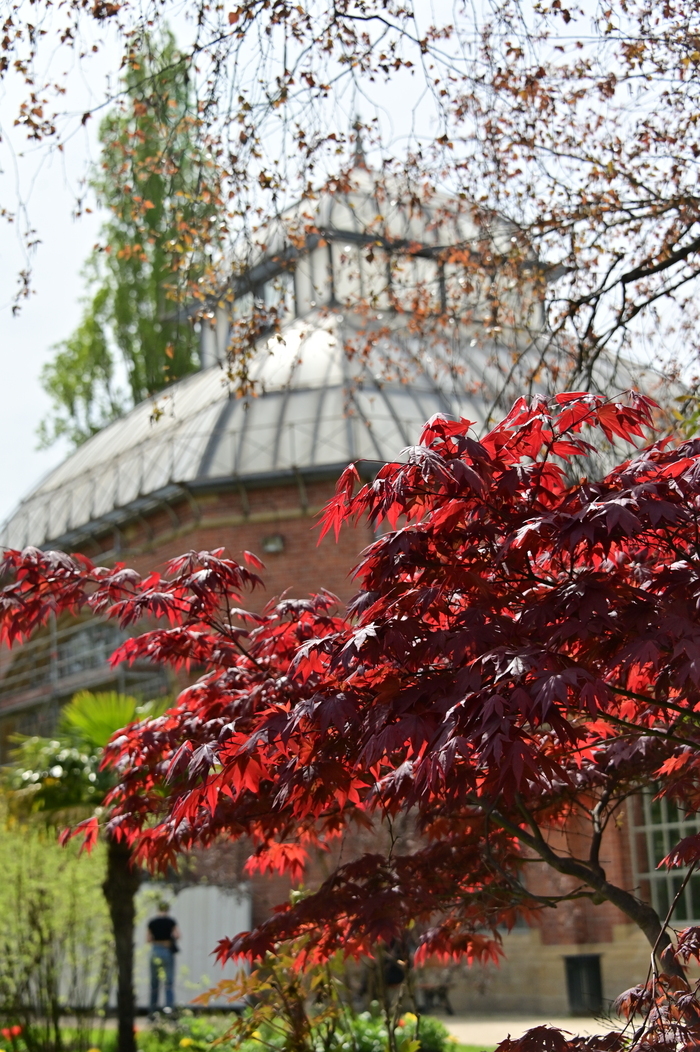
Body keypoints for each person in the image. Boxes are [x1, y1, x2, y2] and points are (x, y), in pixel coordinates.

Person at [147, 901, 181, 1015]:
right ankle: (169, 1009)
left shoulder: (152, 922)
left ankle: (153, 1010)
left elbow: (148, 939)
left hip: (155, 950)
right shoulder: (171, 921)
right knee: (169, 982)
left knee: (154, 983)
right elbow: (177, 935)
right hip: (167, 950)